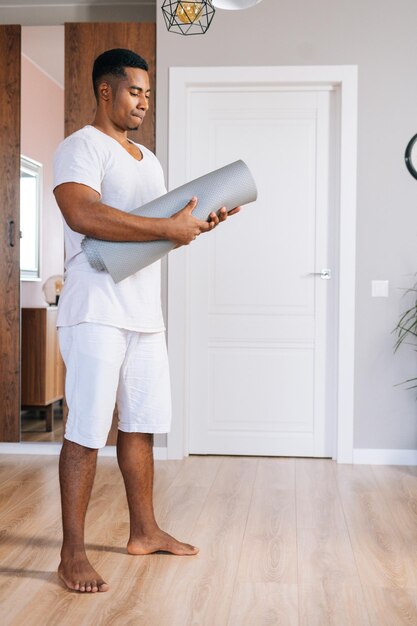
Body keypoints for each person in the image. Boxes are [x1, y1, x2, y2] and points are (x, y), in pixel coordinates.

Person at [53, 48, 240, 594]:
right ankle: (72, 553)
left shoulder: (149, 159)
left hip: (143, 314)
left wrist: (193, 225)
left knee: (140, 424)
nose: (143, 102)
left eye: (149, 94)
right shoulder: (81, 148)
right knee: (87, 429)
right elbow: (81, 214)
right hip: (95, 312)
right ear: (105, 91)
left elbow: (148, 237)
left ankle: (144, 531)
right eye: (135, 91)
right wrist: (165, 230)